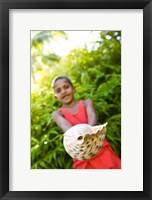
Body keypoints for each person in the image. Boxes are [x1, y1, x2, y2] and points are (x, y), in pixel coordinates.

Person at [51, 76, 121, 169]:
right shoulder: (57, 114)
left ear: (74, 89)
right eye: (58, 90)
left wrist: (88, 132)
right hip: (81, 158)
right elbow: (67, 128)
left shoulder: (87, 103)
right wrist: (79, 135)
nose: (63, 91)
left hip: (100, 150)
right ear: (55, 97)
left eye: (66, 87)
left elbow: (92, 118)